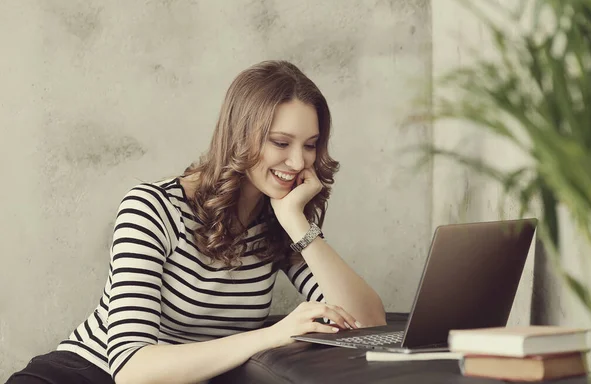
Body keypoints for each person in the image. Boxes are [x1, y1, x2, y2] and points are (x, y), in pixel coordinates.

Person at [7, 60, 386, 384]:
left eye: (310, 144)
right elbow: (131, 368)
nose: (300, 162)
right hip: (83, 375)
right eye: (281, 143)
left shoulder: (279, 221)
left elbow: (368, 322)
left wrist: (298, 224)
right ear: (240, 137)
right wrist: (270, 336)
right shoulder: (152, 207)